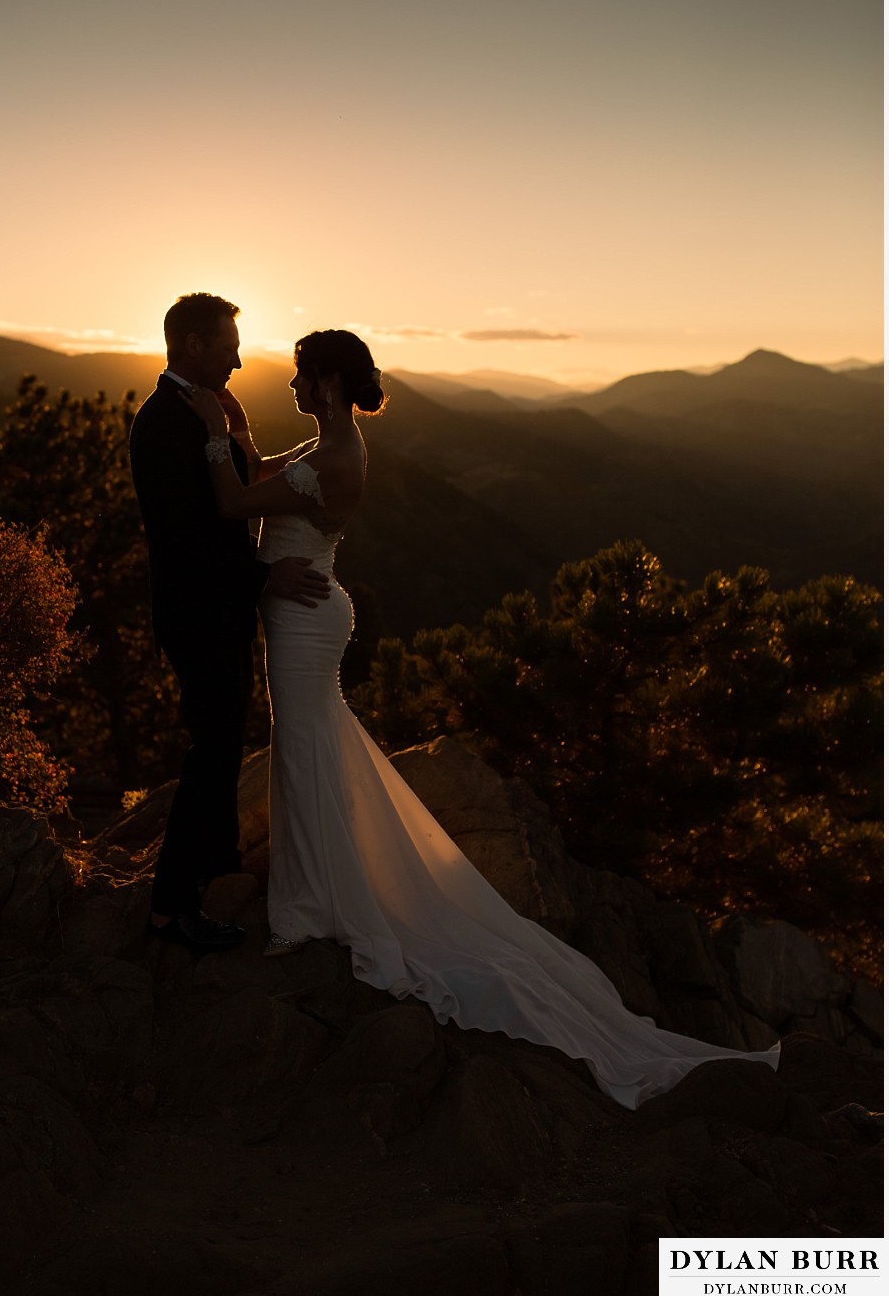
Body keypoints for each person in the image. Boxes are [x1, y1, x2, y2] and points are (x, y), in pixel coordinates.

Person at [179, 328, 781, 1108]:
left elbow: (233, 500)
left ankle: (310, 901)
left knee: (302, 747)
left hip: (302, 620)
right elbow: (261, 478)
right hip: (301, 610)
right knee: (312, 745)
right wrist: (239, 433)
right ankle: (322, 884)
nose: (291, 384)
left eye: (300, 376)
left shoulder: (336, 457)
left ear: (325, 382)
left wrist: (204, 435)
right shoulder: (329, 442)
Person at [129, 293, 331, 950]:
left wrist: (290, 450)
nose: (239, 359)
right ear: (191, 346)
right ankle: (168, 911)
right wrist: (264, 576)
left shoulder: (207, 412)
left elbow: (239, 489)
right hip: (197, 615)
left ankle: (196, 891)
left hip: (222, 614)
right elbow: (186, 537)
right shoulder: (163, 422)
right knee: (209, 754)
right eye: (227, 346)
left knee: (219, 752)